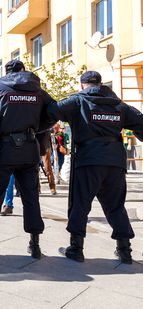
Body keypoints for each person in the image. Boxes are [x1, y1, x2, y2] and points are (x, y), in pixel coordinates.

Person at [44, 71, 143, 264]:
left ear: (82, 85)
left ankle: (76, 248)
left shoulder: (77, 101)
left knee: (80, 204)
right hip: (115, 161)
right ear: (102, 83)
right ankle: (125, 251)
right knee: (116, 206)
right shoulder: (119, 105)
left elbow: (51, 110)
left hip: (88, 159)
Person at [0, 59, 55, 259]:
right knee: (31, 197)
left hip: (5, 148)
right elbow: (53, 113)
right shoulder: (37, 90)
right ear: (23, 70)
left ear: (6, 72)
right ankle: (35, 246)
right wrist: (35, 129)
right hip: (29, 149)